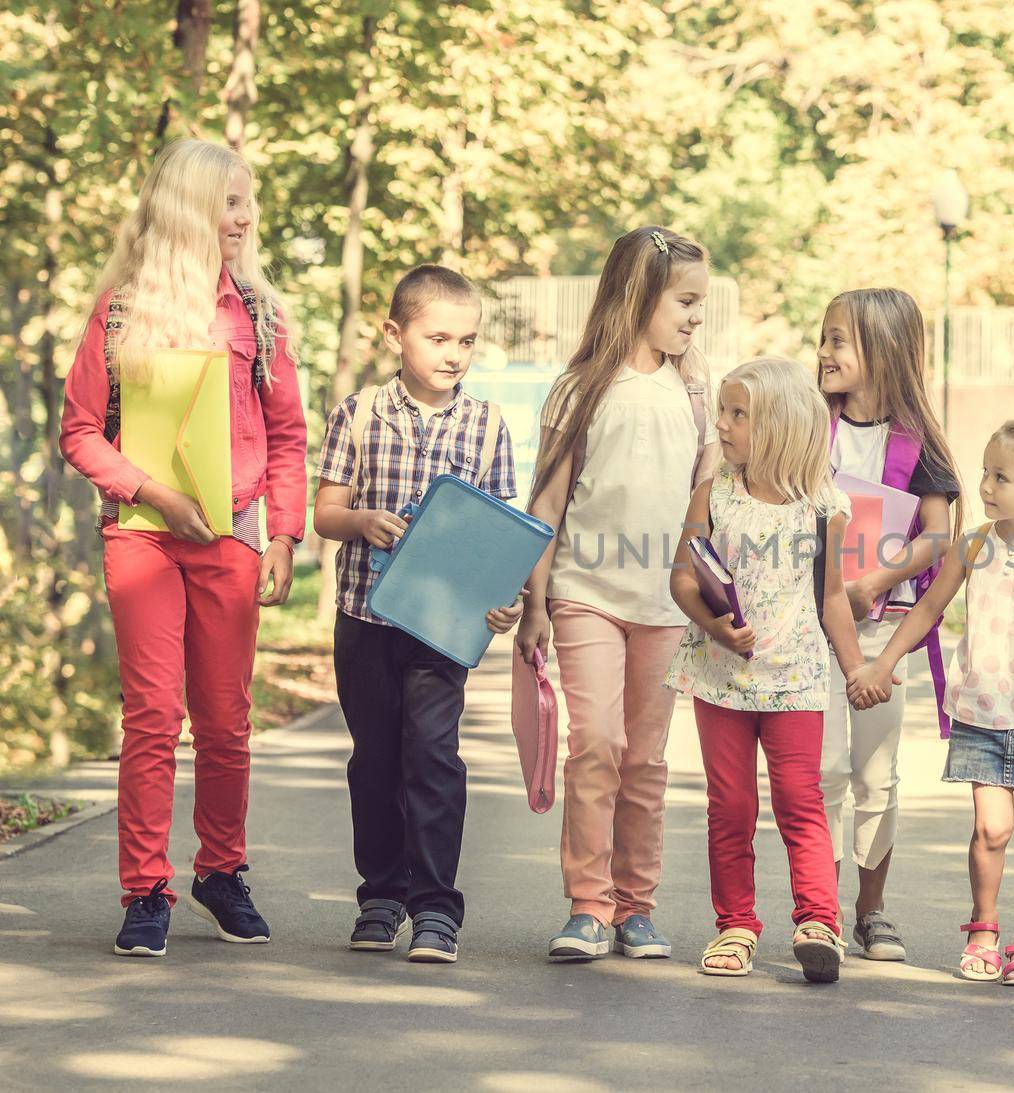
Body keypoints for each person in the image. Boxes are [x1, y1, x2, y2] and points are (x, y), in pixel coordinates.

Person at [60, 139, 307, 959]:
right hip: (143, 539)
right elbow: (80, 432)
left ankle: (221, 871)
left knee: (227, 720)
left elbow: (287, 436)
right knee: (154, 715)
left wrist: (284, 533)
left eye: (248, 203)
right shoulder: (121, 314)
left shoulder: (260, 316)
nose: (245, 218)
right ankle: (144, 888)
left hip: (233, 536)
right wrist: (152, 491)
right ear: (186, 212)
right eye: (229, 204)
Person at [851, 415, 1014, 986]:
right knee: (991, 831)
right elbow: (925, 611)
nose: (986, 486)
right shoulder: (973, 547)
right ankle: (985, 928)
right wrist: (883, 662)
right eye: (985, 474)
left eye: (1001, 477)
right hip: (983, 716)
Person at [516, 226, 717, 963]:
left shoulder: (698, 392)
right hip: (585, 593)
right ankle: (588, 905)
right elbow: (548, 501)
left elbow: (707, 498)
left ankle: (637, 906)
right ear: (639, 295)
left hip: (665, 604)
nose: (697, 317)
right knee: (595, 744)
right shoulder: (581, 387)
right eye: (686, 301)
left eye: (702, 303)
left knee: (647, 759)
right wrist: (534, 600)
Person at [313, 265, 520, 963]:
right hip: (365, 621)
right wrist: (362, 519)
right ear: (395, 334)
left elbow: (498, 533)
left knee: (433, 757)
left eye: (466, 340)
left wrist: (504, 600)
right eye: (437, 337)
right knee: (375, 759)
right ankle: (381, 893)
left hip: (441, 631)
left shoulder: (489, 425)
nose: (453, 353)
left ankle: (436, 908)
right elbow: (327, 513)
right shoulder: (358, 413)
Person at [666, 356, 886, 983]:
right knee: (729, 805)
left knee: (800, 802)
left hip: (796, 681)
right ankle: (735, 926)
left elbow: (832, 596)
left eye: (740, 415)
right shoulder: (712, 494)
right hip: (720, 677)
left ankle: (819, 922)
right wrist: (714, 627)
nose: (724, 426)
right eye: (725, 412)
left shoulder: (825, 507)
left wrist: (855, 669)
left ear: (783, 427)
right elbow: (684, 579)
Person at [815, 288, 960, 960]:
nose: (824, 352)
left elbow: (936, 537)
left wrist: (876, 580)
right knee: (822, 772)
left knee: (876, 773)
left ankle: (871, 909)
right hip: (813, 630)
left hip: (884, 629)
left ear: (883, 352)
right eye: (824, 337)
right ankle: (820, 909)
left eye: (839, 340)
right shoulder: (811, 427)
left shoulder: (918, 441)